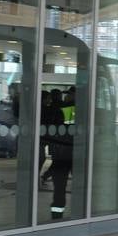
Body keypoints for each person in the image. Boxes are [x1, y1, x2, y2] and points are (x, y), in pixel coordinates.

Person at [42, 89, 74, 220]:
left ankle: (57, 214)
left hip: (61, 153)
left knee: (59, 187)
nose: (65, 96)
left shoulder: (60, 109)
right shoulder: (72, 109)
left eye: (68, 94)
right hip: (72, 153)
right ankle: (80, 212)